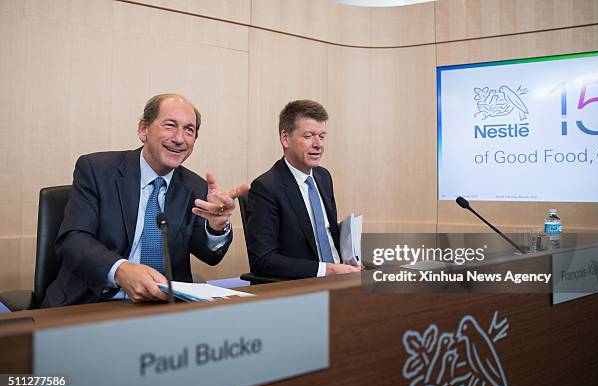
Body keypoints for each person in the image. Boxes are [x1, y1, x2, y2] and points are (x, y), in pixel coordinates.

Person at [43, 94, 249, 307]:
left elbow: (209, 256)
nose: (179, 138)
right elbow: (73, 240)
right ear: (143, 129)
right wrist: (121, 271)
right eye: (170, 125)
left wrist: (216, 227)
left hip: (164, 307)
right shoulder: (97, 170)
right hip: (93, 303)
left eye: (189, 130)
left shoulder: (195, 187)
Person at [246, 99, 361, 278]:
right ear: (285, 138)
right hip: (305, 284)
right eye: (308, 136)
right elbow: (263, 260)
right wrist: (328, 269)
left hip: (342, 274)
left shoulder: (323, 177)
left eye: (321, 136)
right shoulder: (266, 188)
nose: (318, 144)